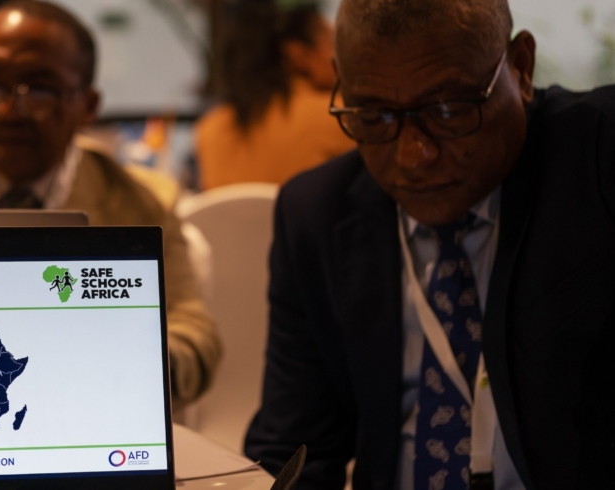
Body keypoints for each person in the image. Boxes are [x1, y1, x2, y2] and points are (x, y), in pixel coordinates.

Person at [244, 0, 615, 488]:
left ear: (521, 67)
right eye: (374, 115)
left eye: (449, 110)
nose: (413, 154)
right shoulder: (316, 214)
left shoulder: (598, 157)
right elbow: (293, 448)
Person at [0, 0, 221, 409]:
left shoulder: (142, 203)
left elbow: (194, 332)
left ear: (88, 106)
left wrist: (132, 367)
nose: (9, 112)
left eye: (40, 90)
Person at [194, 0, 355, 190]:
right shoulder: (339, 116)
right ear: (298, 55)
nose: (342, 56)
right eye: (332, 44)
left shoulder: (210, 129)